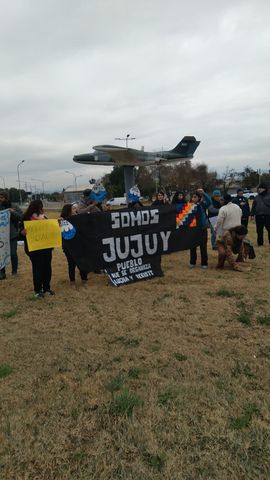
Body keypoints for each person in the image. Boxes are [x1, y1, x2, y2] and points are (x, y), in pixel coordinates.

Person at [22, 200, 54, 298]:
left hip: (46, 247)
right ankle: (38, 290)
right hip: (34, 249)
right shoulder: (27, 218)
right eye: (40, 207)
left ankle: (46, 288)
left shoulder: (44, 217)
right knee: (38, 269)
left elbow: (50, 228)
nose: (42, 209)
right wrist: (23, 233)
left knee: (47, 268)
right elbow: (21, 233)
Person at [60, 204, 88, 286]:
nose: (75, 209)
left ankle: (84, 279)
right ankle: (72, 281)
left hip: (79, 244)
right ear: (68, 210)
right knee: (71, 263)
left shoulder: (79, 218)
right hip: (68, 246)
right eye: (73, 208)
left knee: (82, 262)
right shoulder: (62, 220)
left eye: (75, 208)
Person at [0, 190, 22, 280]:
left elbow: (21, 217)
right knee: (1, 254)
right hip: (1, 236)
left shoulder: (14, 206)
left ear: (6, 198)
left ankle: (14, 271)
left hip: (12, 234)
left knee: (13, 253)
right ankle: (2, 272)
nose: (0, 199)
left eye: (1, 197)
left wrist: (11, 212)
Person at [189, 189, 211, 269]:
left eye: (195, 197)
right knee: (192, 247)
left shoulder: (202, 205)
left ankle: (204, 263)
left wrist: (204, 193)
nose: (193, 199)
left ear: (199, 198)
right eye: (192, 197)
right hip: (192, 230)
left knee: (203, 247)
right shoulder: (189, 206)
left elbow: (209, 202)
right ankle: (192, 262)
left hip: (202, 229)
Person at [250, 182, 270, 246]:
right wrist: (252, 214)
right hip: (258, 215)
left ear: (264, 189)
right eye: (259, 188)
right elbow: (253, 206)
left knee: (269, 229)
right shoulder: (257, 197)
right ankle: (260, 244)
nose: (259, 189)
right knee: (259, 230)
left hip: (268, 215)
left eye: (260, 188)